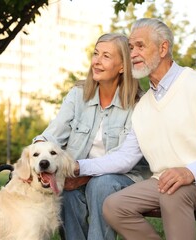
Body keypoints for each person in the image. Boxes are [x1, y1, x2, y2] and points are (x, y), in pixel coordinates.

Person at [74, 18, 196, 240]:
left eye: (140, 45)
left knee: (173, 194)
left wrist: (190, 172)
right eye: (129, 47)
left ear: (163, 48)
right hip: (164, 182)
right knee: (114, 206)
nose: (133, 53)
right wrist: (79, 166)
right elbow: (125, 157)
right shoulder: (144, 104)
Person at [32, 33, 147, 240]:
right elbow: (52, 134)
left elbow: (123, 160)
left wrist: (82, 175)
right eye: (95, 54)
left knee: (100, 185)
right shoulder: (78, 94)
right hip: (77, 175)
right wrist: (36, 153)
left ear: (122, 66)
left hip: (121, 178)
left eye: (106, 56)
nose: (96, 61)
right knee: (66, 192)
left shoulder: (138, 103)